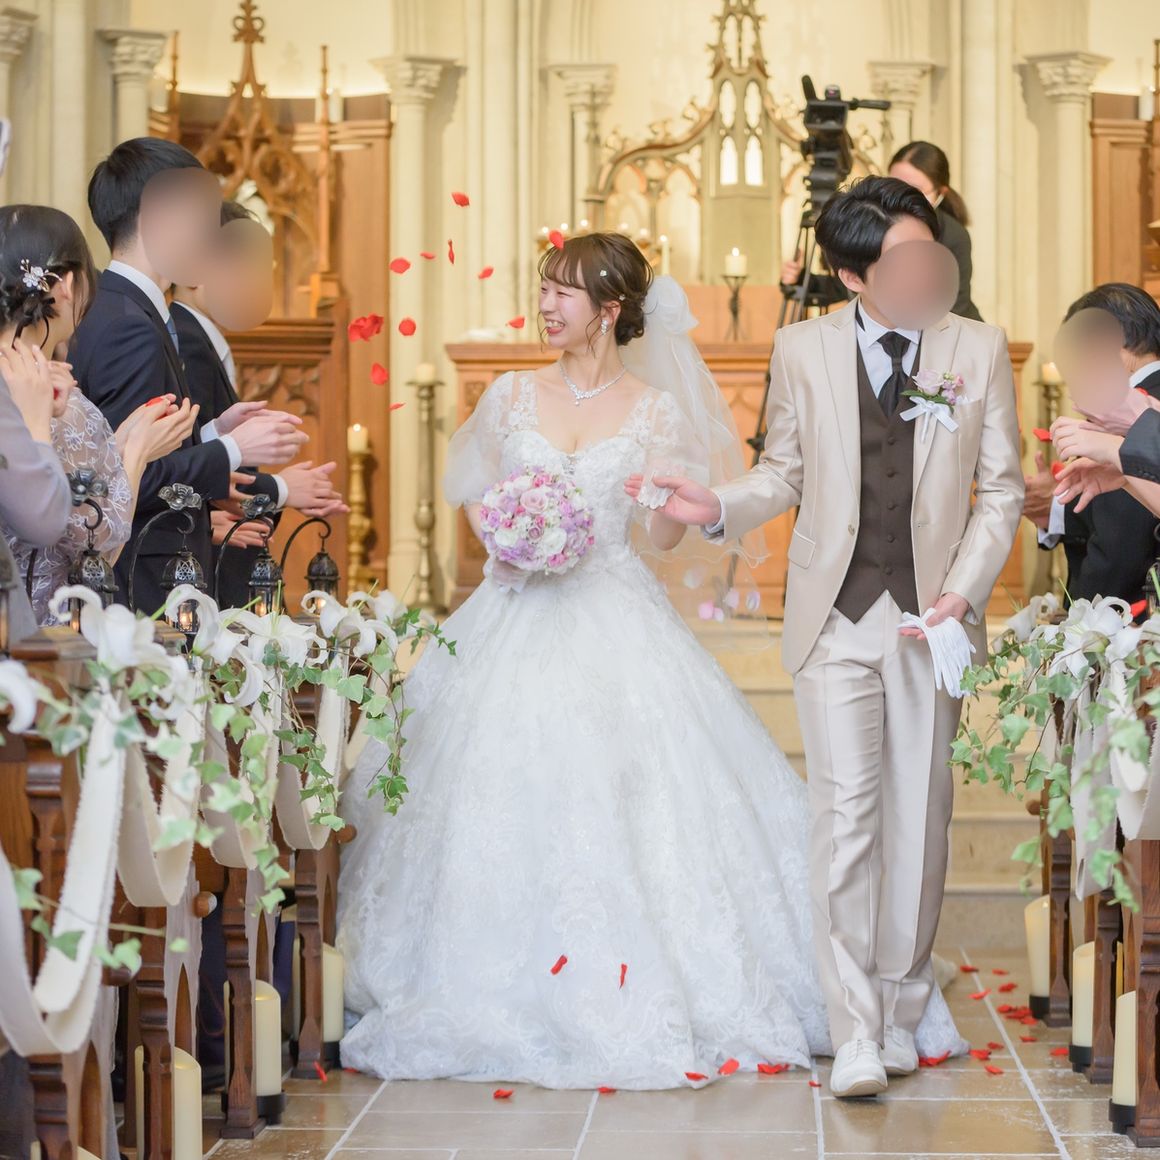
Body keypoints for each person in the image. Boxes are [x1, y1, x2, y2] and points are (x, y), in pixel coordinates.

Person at [336, 231, 964, 1093]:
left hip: (612, 607)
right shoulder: (512, 394)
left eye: (563, 291)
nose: (546, 304)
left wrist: (664, 499)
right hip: (511, 614)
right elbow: (475, 496)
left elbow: (663, 539)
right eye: (544, 287)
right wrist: (510, 536)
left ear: (609, 308)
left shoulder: (655, 411)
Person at [641, 177, 1022, 1096]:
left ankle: (900, 1007)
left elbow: (1002, 488)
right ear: (853, 276)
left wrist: (963, 592)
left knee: (919, 819)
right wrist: (716, 505)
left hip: (930, 619)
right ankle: (854, 1027)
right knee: (845, 817)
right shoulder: (802, 348)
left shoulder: (975, 346)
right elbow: (783, 472)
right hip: (836, 615)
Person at [70, 137, 306, 615]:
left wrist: (212, 433)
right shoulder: (130, 326)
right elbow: (129, 476)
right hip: (141, 582)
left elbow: (136, 450)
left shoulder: (123, 308)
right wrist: (234, 449)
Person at [0, 205, 195, 621]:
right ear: (68, 285)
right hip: (34, 632)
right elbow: (93, 548)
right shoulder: (47, 401)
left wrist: (114, 447)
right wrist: (135, 452)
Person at [170, 199, 347, 608]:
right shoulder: (187, 342)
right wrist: (282, 489)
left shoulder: (198, 338)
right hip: (208, 564)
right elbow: (191, 465)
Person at [1024, 284, 1160, 607]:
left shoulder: (1132, 409)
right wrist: (1056, 508)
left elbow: (1121, 544)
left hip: (1129, 619)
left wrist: (1083, 625)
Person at [782, 140, 982, 321]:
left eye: (915, 189)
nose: (902, 195)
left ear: (940, 192)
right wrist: (802, 280)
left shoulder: (954, 235)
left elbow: (955, 305)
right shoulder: (875, 222)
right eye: (894, 184)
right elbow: (856, 282)